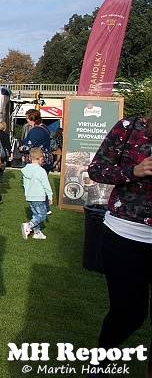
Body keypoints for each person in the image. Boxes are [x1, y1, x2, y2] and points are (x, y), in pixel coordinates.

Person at [87, 111, 152, 364]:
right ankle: (100, 364)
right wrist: (135, 170)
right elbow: (97, 169)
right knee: (129, 315)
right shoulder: (130, 126)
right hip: (126, 235)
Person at [21, 147, 53, 240]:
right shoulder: (41, 171)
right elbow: (46, 185)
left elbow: (24, 184)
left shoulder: (26, 170)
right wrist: (50, 196)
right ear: (40, 158)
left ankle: (37, 232)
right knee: (42, 215)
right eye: (42, 158)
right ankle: (28, 226)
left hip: (30, 196)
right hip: (38, 196)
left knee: (35, 215)